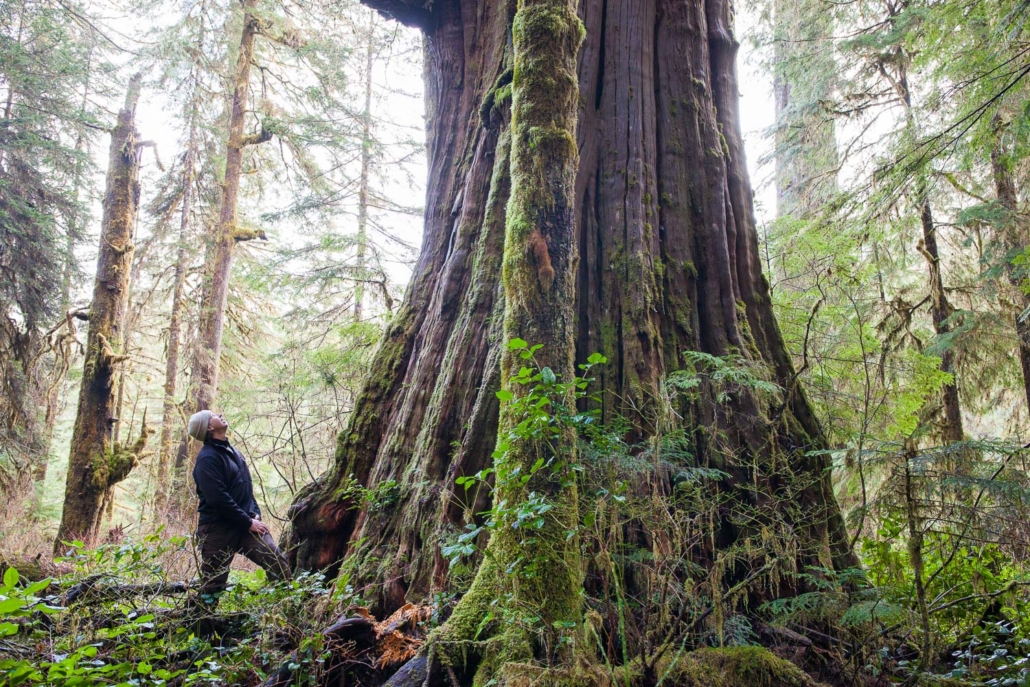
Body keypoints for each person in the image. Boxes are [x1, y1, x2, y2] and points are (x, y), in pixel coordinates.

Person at [186, 409, 290, 606]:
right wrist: (247, 521)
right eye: (213, 415)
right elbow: (218, 499)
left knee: (277, 562)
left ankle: (284, 614)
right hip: (217, 530)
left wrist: (255, 513)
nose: (219, 414)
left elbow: (245, 486)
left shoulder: (233, 452)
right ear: (209, 427)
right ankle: (200, 627)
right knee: (212, 587)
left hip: (246, 524)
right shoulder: (207, 459)